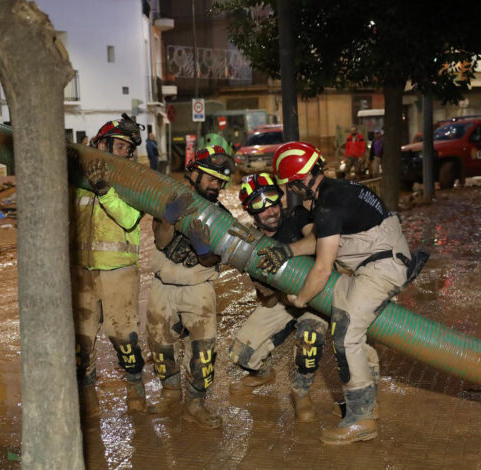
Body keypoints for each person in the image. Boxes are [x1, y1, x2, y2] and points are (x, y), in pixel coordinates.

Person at [257, 141, 428, 445]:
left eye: (292, 185)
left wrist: (300, 300)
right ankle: (369, 403)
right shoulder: (336, 191)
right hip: (377, 259)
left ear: (299, 182)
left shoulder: (327, 204)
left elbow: (322, 269)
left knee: (345, 334)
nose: (293, 191)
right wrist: (287, 251)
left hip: (380, 267)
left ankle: (362, 420)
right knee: (349, 324)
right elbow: (328, 242)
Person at [228, 172, 329, 422]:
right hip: (284, 303)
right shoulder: (254, 242)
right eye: (260, 206)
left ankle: (301, 391)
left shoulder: (296, 217)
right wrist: (268, 292)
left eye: (273, 201)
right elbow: (269, 301)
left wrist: (286, 252)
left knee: (309, 337)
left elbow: (318, 241)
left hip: (314, 298)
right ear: (250, 211)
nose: (270, 211)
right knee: (240, 353)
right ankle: (264, 372)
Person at [146, 145, 233, 429]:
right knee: (160, 345)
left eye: (219, 181)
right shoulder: (171, 202)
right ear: (193, 173)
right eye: (210, 178)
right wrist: (169, 219)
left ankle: (195, 404)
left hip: (199, 286)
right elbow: (160, 241)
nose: (216, 185)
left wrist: (203, 250)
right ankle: (171, 393)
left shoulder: (221, 216)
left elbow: (217, 257)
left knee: (204, 351)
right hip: (163, 285)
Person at [71, 115, 147, 418]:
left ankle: (135, 389)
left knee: (124, 337)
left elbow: (129, 219)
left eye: (127, 149)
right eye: (118, 146)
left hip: (119, 272)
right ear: (100, 144)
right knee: (82, 343)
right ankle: (87, 399)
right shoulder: (79, 182)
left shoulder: (133, 181)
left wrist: (106, 191)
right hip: (81, 273)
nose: (124, 153)